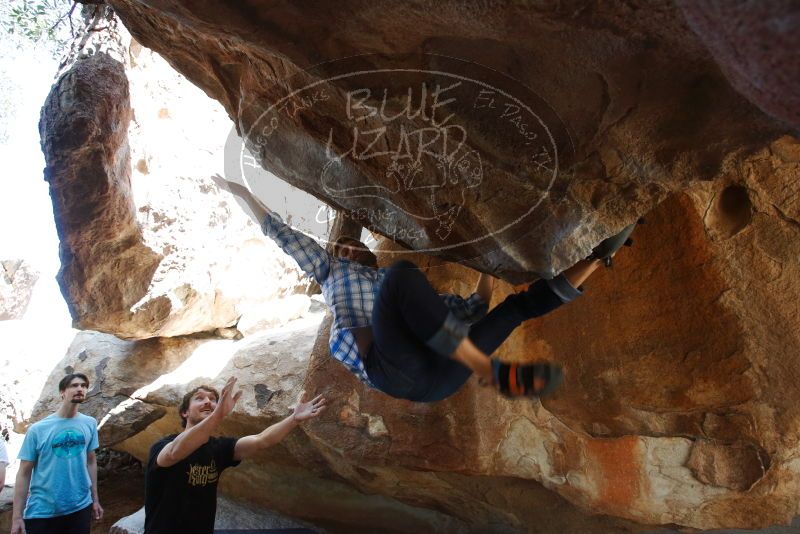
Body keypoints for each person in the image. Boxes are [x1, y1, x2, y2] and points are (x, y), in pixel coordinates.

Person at [213, 175, 634, 402]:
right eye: (340, 247)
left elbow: (474, 306)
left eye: (350, 245)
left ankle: (599, 258)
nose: (343, 248)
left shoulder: (409, 297)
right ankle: (488, 366)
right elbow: (282, 234)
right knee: (410, 281)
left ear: (366, 253)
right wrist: (241, 191)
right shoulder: (329, 272)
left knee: (500, 308)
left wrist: (487, 266)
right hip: (418, 376)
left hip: (418, 367)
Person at [144, 377, 326, 534]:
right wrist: (217, 415)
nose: (208, 402)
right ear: (185, 412)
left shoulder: (219, 448)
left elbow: (261, 440)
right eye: (199, 398)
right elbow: (176, 452)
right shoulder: (162, 446)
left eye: (213, 399)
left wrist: (293, 419)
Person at [11, 373, 103, 534]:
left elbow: (91, 461)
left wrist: (95, 499)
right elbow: (24, 473)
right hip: (43, 512)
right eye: (74, 385)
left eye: (83, 386)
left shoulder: (89, 423)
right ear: (62, 392)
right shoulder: (38, 430)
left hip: (80, 507)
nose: (80, 389)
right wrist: (16, 517)